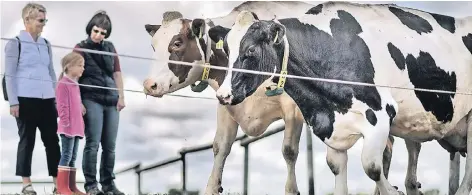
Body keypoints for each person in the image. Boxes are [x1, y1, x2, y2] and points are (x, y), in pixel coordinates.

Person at [4, 3, 61, 195]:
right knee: (27, 141)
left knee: (52, 141)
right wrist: (13, 102)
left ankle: (57, 184)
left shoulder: (46, 44)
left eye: (45, 20)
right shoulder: (15, 43)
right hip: (25, 99)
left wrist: (57, 98)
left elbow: (51, 71)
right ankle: (26, 184)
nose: (43, 24)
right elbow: (10, 75)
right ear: (27, 20)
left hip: (47, 99)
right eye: (40, 20)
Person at [73, 10, 126, 195]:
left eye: (103, 33)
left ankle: (109, 184)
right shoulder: (79, 48)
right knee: (92, 143)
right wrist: (78, 102)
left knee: (110, 146)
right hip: (91, 99)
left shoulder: (111, 48)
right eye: (96, 30)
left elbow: (117, 74)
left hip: (111, 100)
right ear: (90, 28)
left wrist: (121, 96)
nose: (98, 35)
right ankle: (91, 185)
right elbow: (72, 77)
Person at [55, 52, 86, 195]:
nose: (82, 69)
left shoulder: (75, 84)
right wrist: (66, 123)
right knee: (66, 156)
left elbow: (76, 102)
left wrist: (81, 107)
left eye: (83, 66)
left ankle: (71, 187)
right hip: (68, 128)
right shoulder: (63, 84)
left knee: (73, 157)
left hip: (76, 127)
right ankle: (62, 188)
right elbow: (62, 106)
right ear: (69, 66)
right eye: (80, 65)